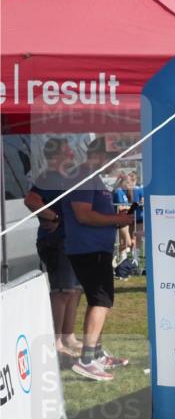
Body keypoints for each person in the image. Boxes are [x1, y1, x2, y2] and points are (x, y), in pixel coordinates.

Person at [62, 138, 133, 381]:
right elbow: (83, 215)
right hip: (87, 249)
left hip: (96, 248)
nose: (116, 164)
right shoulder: (82, 177)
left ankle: (98, 354)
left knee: (101, 300)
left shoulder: (93, 177)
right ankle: (87, 360)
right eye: (114, 157)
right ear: (101, 155)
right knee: (100, 301)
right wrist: (117, 221)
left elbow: (94, 212)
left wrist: (116, 217)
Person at [23, 137, 84, 362]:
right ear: (56, 155)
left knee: (75, 290)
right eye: (67, 151)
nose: (71, 154)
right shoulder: (48, 176)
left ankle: (68, 336)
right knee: (62, 291)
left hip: (72, 241)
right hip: (56, 242)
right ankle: (56, 341)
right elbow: (30, 200)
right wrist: (53, 216)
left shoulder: (66, 177)